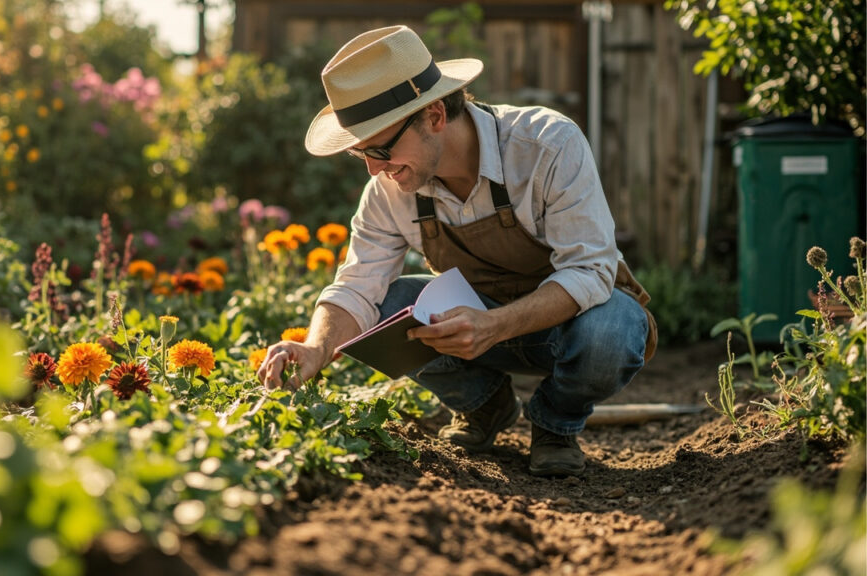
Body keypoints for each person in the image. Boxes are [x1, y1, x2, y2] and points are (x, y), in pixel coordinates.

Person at [257, 25, 656, 477]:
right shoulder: (389, 189)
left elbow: (588, 270)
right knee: (389, 308)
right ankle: (485, 406)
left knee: (615, 328)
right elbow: (356, 286)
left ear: (434, 116)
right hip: (471, 331)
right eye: (360, 153)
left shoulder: (547, 146)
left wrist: (495, 324)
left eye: (381, 148)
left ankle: (556, 425)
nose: (372, 169)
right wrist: (315, 347)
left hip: (567, 329)